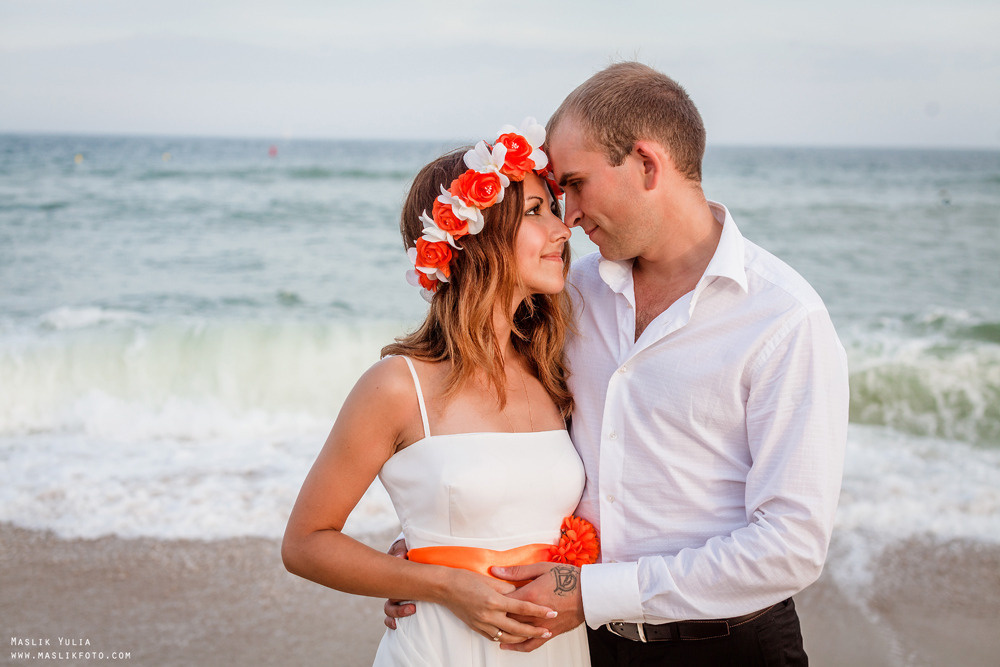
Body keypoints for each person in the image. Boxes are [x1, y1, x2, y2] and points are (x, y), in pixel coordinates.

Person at [386, 63, 850, 666]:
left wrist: (592, 592)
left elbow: (790, 547)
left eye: (575, 184)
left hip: (731, 648)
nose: (569, 215)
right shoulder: (566, 298)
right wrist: (441, 552)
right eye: (556, 196)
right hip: (584, 647)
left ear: (647, 165)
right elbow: (487, 422)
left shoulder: (784, 319)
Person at [281, 118, 593, 665]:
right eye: (535, 212)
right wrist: (439, 584)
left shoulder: (558, 371)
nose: (564, 230)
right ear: (474, 238)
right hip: (442, 649)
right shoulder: (398, 386)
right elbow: (306, 542)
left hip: (557, 648)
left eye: (554, 209)